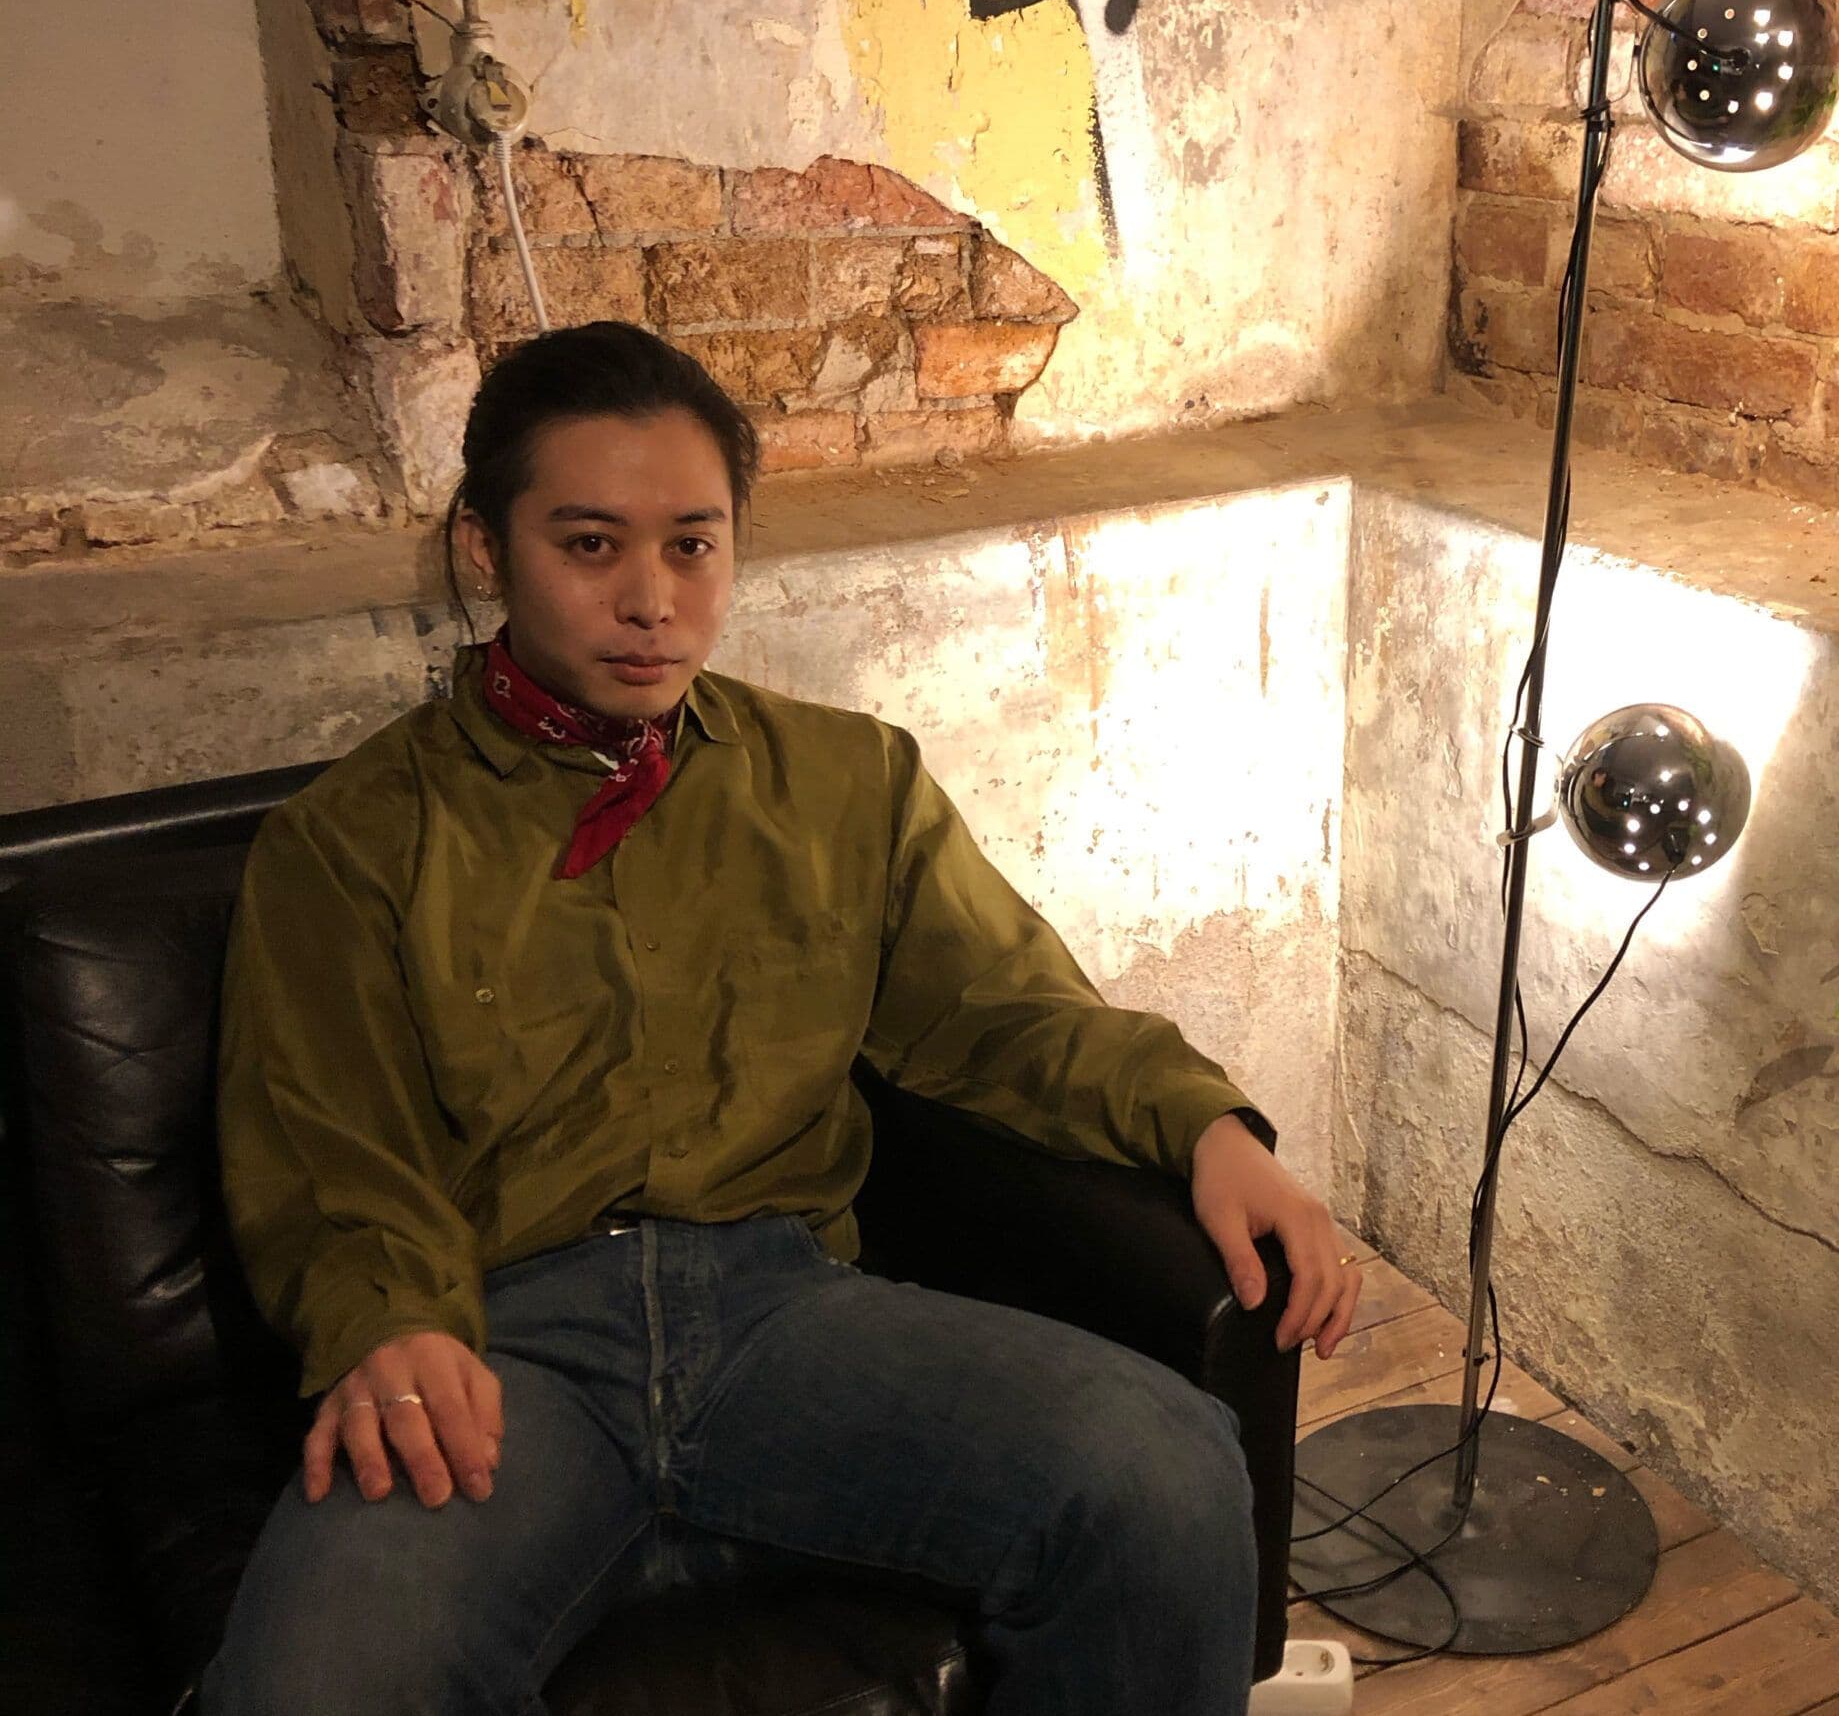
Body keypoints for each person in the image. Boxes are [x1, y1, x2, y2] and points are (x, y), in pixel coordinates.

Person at [200, 320, 1363, 1715]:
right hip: (503, 1352)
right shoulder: (351, 839)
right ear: (484, 549)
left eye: (692, 544)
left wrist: (1204, 1127)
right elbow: (331, 1147)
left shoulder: (843, 782)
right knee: (315, 1678)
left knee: (1163, 1471)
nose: (651, 600)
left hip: (781, 1320)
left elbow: (1007, 1010)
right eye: (589, 544)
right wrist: (390, 1323)